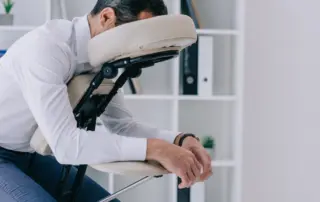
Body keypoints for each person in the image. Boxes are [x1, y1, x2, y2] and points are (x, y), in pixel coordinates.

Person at [0, 0, 212, 201]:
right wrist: (156, 148)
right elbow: (66, 145)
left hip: (28, 154)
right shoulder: (47, 48)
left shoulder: (99, 61)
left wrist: (180, 140)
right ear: (107, 17)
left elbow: (123, 126)